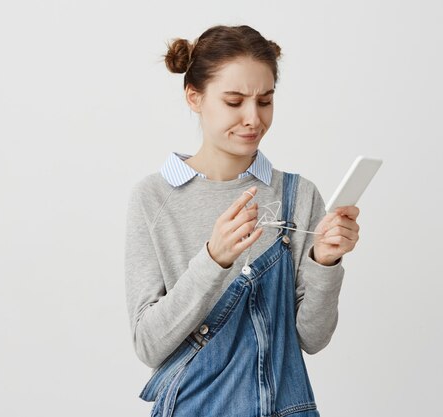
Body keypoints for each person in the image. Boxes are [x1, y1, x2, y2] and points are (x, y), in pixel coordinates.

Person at [124, 24, 360, 417]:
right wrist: (212, 261)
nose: (253, 118)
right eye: (234, 102)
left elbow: (311, 338)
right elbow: (148, 344)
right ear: (194, 97)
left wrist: (326, 262)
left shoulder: (297, 196)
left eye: (265, 101)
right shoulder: (153, 198)